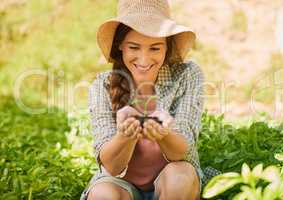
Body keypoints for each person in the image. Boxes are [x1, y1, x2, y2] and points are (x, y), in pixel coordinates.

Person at [80, 0, 219, 199]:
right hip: (122, 185)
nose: (144, 60)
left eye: (155, 48)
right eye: (134, 48)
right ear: (121, 46)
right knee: (103, 194)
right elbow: (111, 166)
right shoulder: (102, 85)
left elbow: (183, 152)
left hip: (171, 181)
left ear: (167, 47)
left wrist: (164, 134)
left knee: (179, 180)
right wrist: (126, 134)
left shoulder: (187, 75)